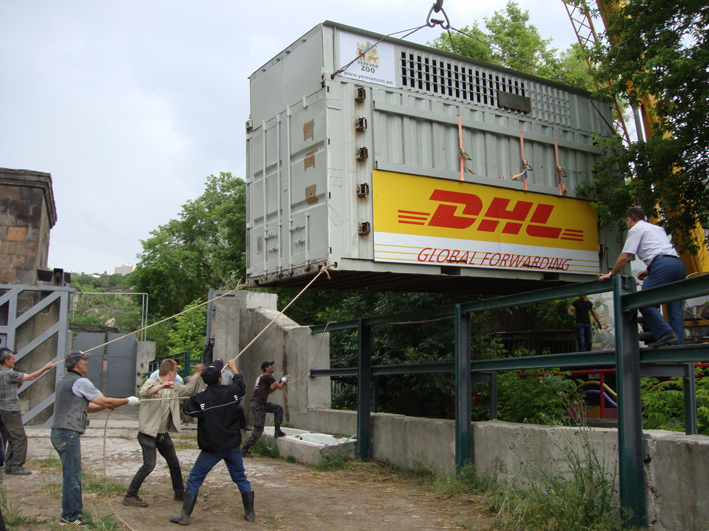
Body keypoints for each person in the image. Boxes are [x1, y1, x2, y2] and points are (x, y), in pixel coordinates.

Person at [51, 350, 140, 527]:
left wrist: (105, 407)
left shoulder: (64, 380)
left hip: (59, 432)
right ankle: (69, 517)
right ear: (78, 364)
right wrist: (127, 401)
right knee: (72, 476)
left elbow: (88, 406)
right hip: (69, 433)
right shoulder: (81, 382)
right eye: (84, 361)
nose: (87, 363)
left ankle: (72, 514)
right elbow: (105, 400)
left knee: (72, 474)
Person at [170, 359, 254, 525]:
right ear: (219, 379)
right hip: (232, 445)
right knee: (240, 478)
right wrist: (234, 367)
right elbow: (241, 385)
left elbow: (186, 408)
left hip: (212, 448)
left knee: (195, 478)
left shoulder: (201, 398)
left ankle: (185, 516)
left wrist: (199, 395)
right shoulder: (231, 392)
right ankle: (250, 513)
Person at [598, 206, 686, 348]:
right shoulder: (657, 228)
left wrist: (611, 274)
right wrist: (648, 270)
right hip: (677, 265)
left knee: (643, 301)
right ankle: (678, 348)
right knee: (675, 308)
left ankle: (666, 333)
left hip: (662, 266)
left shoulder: (635, 229)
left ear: (629, 219)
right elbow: (661, 251)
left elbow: (625, 256)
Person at [123, 359, 205, 507]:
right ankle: (130, 495)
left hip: (162, 434)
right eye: (175, 371)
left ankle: (179, 493)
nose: (176, 374)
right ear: (170, 372)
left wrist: (197, 374)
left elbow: (187, 390)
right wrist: (161, 386)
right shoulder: (152, 381)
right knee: (149, 465)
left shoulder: (174, 386)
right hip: (148, 433)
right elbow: (144, 392)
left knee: (174, 463)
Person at [0, 347, 55, 476]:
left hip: (2, 410)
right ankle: (17, 467)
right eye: (12, 359)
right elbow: (30, 377)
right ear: (6, 361)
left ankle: (9, 466)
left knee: (12, 438)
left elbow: (16, 385)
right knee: (20, 438)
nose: (14, 361)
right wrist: (45, 368)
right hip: (10, 410)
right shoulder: (9, 373)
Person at [241, 361, 286, 457]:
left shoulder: (262, 377)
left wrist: (277, 385)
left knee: (278, 409)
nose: (273, 367)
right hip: (258, 404)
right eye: (271, 366)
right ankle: (244, 449)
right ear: (266, 368)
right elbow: (280, 388)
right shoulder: (268, 376)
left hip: (260, 403)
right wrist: (283, 381)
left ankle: (277, 431)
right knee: (258, 429)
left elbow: (268, 391)